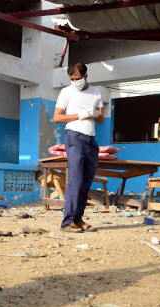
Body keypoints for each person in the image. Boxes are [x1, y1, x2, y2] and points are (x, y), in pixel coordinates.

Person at [53, 62, 104, 233]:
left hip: (90, 140)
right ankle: (67, 222)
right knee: (75, 180)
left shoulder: (96, 91)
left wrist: (96, 114)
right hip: (74, 136)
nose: (75, 81)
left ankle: (78, 219)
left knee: (86, 181)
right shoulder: (66, 92)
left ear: (86, 76)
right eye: (72, 79)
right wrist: (80, 115)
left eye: (78, 78)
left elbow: (101, 120)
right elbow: (57, 118)